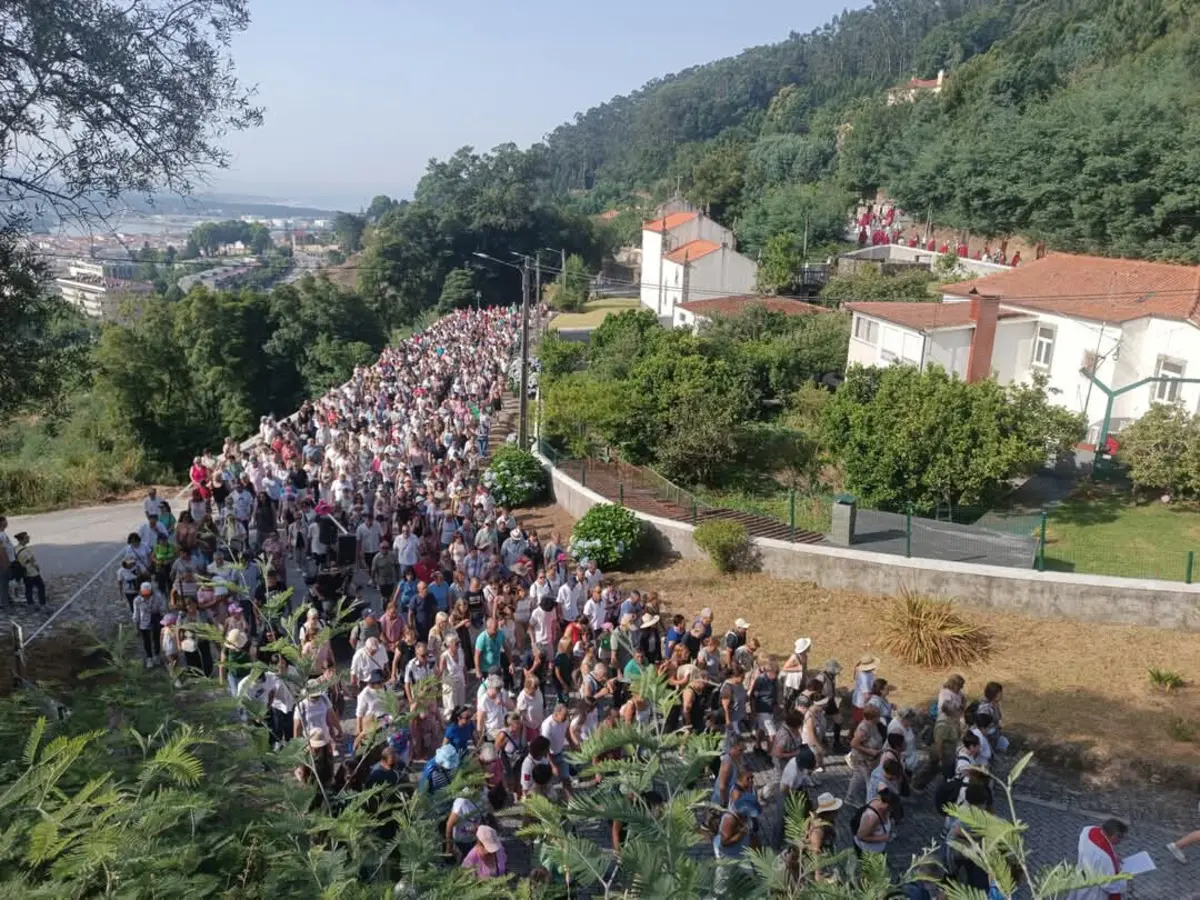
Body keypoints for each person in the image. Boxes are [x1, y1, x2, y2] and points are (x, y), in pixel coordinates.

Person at [1065, 819, 1128, 900]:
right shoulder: (1105, 858)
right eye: (1121, 838)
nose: (1120, 841)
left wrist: (1113, 855)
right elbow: (1108, 885)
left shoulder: (1088, 830)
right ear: (1115, 835)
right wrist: (1124, 881)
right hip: (1094, 891)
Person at [854, 786, 899, 857]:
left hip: (877, 850)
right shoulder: (873, 818)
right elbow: (861, 837)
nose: (892, 811)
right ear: (887, 805)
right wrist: (883, 838)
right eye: (891, 808)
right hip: (869, 853)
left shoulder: (879, 801)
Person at [13, 532, 46, 607]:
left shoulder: (16, 548)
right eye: (26, 537)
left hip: (23, 571)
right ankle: (42, 603)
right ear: (22, 540)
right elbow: (32, 560)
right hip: (31, 571)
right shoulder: (26, 550)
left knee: (28, 589)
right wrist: (36, 568)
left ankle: (30, 604)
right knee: (41, 586)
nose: (28, 538)